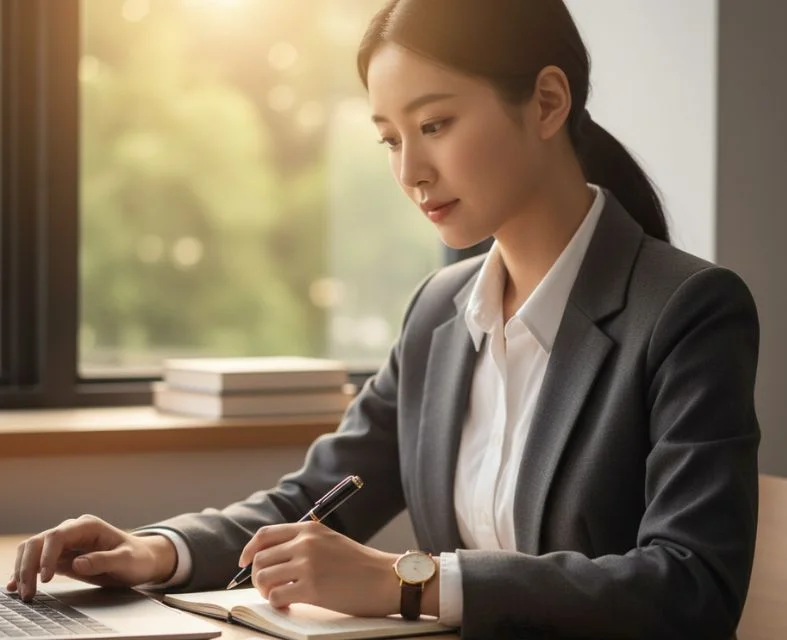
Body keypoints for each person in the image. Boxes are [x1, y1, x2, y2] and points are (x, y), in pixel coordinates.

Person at [7, 1, 760, 638]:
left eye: (434, 125)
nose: (409, 173)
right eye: (390, 139)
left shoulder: (687, 310)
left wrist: (407, 582)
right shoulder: (439, 311)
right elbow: (315, 500)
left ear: (547, 102)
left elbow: (692, 586)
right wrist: (154, 550)